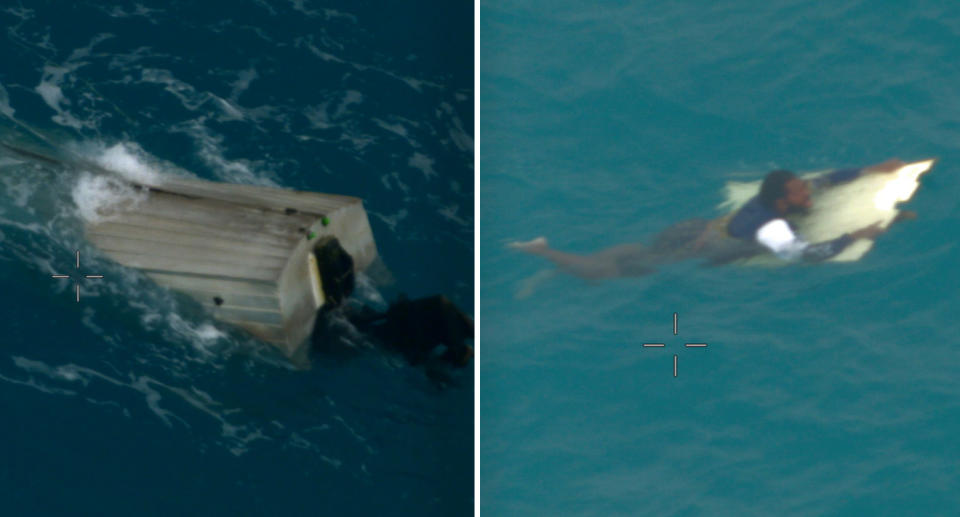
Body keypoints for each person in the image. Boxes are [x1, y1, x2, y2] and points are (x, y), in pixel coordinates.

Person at [510, 159, 915, 279]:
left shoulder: (769, 198)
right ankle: (549, 256)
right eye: (799, 192)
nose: (807, 192)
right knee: (618, 271)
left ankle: (555, 262)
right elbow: (808, 255)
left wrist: (868, 171)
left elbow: (825, 180)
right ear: (781, 201)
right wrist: (858, 233)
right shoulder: (773, 228)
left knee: (639, 250)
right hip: (694, 247)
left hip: (698, 226)